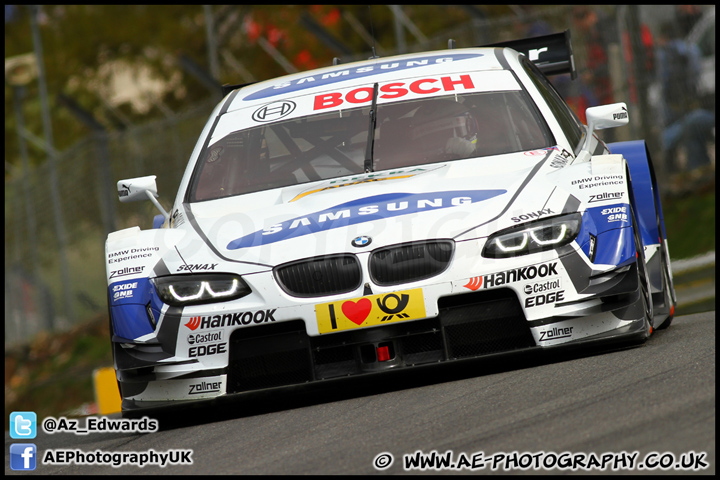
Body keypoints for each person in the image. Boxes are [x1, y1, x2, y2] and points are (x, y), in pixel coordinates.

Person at [655, 21, 714, 173]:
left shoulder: (664, 54)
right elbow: (696, 75)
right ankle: (698, 170)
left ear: (664, 37)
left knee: (680, 133)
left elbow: (663, 80)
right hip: (693, 101)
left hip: (673, 104)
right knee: (690, 133)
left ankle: (690, 170)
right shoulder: (691, 49)